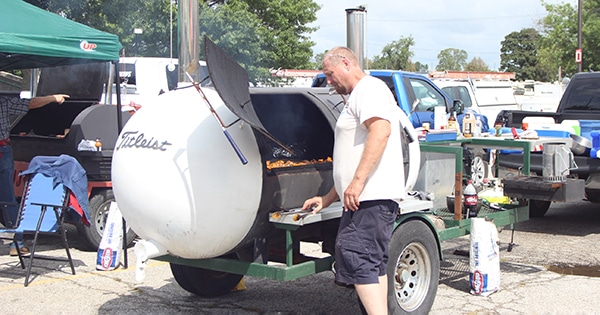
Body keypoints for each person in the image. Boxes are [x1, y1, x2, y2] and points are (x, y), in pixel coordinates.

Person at [302, 47, 405, 314]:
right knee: (371, 260)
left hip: (371, 196)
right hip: (363, 197)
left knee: (356, 254)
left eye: (330, 74)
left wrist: (358, 183)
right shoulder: (359, 95)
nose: (328, 81)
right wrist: (328, 198)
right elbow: (353, 156)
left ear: (346, 63)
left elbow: (381, 132)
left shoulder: (369, 89)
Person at [0, 93, 69, 256]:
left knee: (8, 199)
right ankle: (17, 244)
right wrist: (53, 98)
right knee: (8, 199)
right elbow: (31, 103)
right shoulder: (2, 100)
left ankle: (17, 242)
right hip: (2, 150)